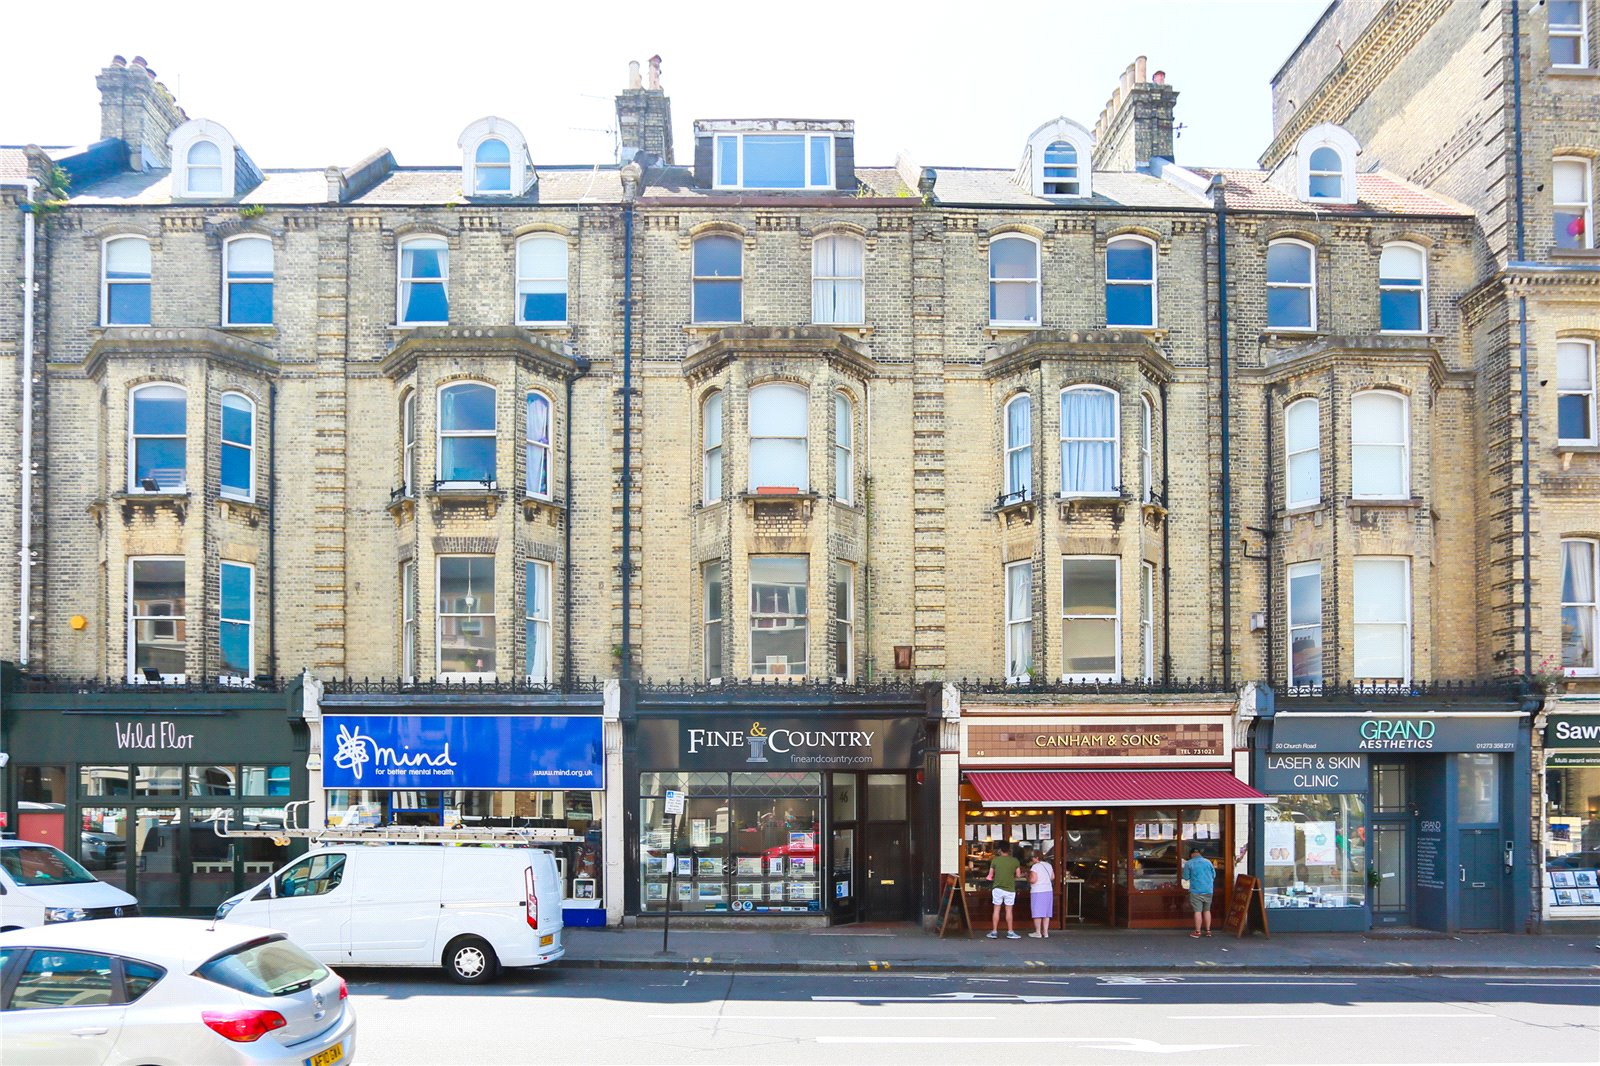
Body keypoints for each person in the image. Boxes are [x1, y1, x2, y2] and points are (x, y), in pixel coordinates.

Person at [985, 840, 1022, 939]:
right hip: (1010, 888)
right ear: (1009, 850)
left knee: (996, 910)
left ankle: (994, 932)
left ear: (1000, 850)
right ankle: (1010, 932)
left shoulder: (995, 860)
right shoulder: (1015, 861)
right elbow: (1018, 875)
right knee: (1009, 910)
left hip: (997, 888)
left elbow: (990, 875)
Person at [1183, 847, 1216, 938]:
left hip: (1196, 890)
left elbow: (1186, 877)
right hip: (1208, 890)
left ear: (1191, 854)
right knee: (1207, 910)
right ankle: (1208, 931)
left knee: (1198, 911)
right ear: (1200, 854)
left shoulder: (1189, 863)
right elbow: (1214, 875)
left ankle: (1198, 932)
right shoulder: (1208, 862)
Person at [1027, 850, 1055, 939]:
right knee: (1046, 913)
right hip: (1048, 890)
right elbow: (1052, 877)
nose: (1032, 860)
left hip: (1038, 891)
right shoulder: (1048, 865)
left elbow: (1033, 880)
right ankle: (1045, 932)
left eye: (1033, 858)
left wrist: (1028, 878)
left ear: (1037, 858)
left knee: (1037, 912)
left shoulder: (1035, 867)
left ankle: (1038, 932)